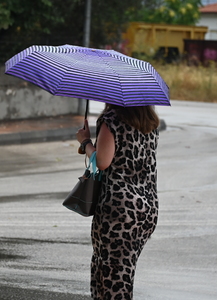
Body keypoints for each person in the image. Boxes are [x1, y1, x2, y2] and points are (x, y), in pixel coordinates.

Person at [76, 104, 160, 300]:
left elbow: (102, 162)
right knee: (122, 271)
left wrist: (85, 142)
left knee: (112, 276)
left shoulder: (112, 120)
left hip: (118, 209)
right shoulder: (149, 120)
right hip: (147, 208)